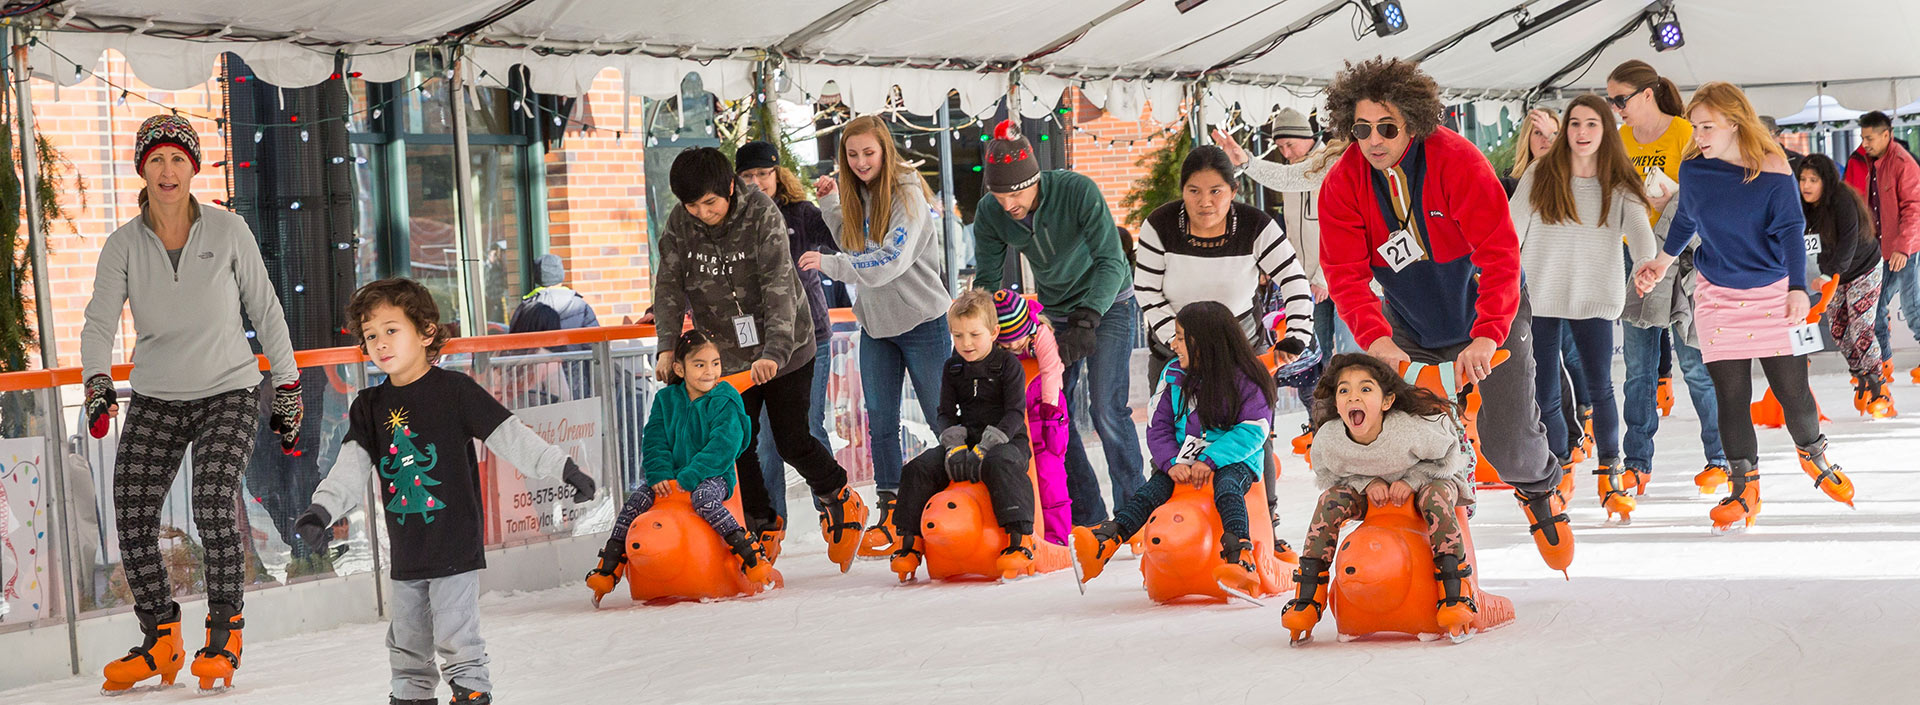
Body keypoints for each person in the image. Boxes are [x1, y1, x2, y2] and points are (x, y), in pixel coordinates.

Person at [1315, 56, 1572, 571]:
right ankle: (1428, 547)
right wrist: (1376, 338)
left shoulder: (1457, 160)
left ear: (1413, 120)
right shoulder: (1342, 184)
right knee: (1409, 445)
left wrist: (1487, 335)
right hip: (1409, 326)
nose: (1373, 140)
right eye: (1361, 128)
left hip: (1487, 314)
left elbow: (1500, 254)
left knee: (1509, 447)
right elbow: (1343, 274)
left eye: (1386, 127)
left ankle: (1542, 489)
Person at [295, 278, 597, 705]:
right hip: (407, 549)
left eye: (391, 329)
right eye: (370, 335)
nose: (380, 343)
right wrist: (321, 511)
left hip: (454, 543)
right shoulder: (369, 406)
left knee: (457, 634)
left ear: (426, 332)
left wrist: (564, 468)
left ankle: (471, 692)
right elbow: (351, 467)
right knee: (408, 642)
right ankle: (411, 697)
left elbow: (511, 437)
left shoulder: (456, 392)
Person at [85, 115, 304, 694]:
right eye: (156, 159)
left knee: (212, 499)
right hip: (157, 396)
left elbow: (266, 307)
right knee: (130, 514)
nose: (167, 170)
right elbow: (98, 322)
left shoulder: (230, 232)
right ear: (142, 169)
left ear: (193, 168)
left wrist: (287, 387)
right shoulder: (123, 245)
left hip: (227, 391)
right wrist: (97, 382)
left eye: (177, 159)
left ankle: (224, 631)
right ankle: (161, 638)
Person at [1632, 82, 1857, 532]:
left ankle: (1815, 456)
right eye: (1695, 127)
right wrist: (1661, 261)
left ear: (1735, 123)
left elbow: (1792, 229)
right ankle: (1744, 489)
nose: (1699, 135)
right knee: (1730, 397)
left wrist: (1797, 287)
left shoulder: (1772, 168)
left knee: (1792, 392)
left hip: (1774, 293)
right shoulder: (1695, 169)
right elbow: (1687, 218)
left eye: (1708, 126)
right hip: (1716, 294)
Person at [653, 147, 868, 571]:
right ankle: (760, 524)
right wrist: (666, 344)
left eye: (710, 203)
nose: (702, 213)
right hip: (727, 356)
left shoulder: (761, 213)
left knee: (792, 438)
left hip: (786, 346)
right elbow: (669, 284)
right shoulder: (681, 224)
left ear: (730, 188)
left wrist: (774, 351)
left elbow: (779, 285)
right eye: (692, 205)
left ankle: (839, 497)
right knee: (737, 443)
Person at [974, 119, 1141, 523]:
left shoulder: (1076, 191)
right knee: (1051, 412)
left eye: (1016, 193)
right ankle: (1087, 515)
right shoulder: (990, 215)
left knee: (1105, 407)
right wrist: (985, 331)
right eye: (999, 195)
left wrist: (1088, 320)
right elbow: (987, 282)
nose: (1008, 204)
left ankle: (1135, 510)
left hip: (1110, 301)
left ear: (1035, 179)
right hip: (1055, 312)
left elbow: (1110, 259)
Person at [805, 116, 951, 557]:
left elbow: (888, 261)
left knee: (942, 417)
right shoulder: (856, 193)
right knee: (881, 423)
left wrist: (829, 265)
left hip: (924, 321)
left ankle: (959, 494)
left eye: (868, 152)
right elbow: (851, 241)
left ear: (884, 150)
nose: (861, 161)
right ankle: (890, 512)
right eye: (852, 155)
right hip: (877, 326)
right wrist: (832, 205)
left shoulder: (906, 193)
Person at [1509, 94, 1657, 522]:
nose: (1582, 132)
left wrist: (1646, 268)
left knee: (1600, 388)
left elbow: (1640, 233)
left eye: (1592, 124)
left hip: (1595, 296)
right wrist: (1493, 269)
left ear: (1605, 131)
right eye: (1576, 124)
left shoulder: (1618, 180)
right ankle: (1560, 470)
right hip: (1542, 295)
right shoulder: (1541, 173)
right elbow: (1511, 228)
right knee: (1545, 391)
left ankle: (1610, 473)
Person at [1070, 302, 1276, 594]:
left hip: (1234, 458)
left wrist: (1210, 459)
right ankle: (1107, 541)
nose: (1172, 343)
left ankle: (1239, 556)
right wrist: (1170, 462)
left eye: (1180, 337)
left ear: (1205, 342)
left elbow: (1253, 430)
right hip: (1183, 459)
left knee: (1227, 487)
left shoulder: (1247, 377)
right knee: (1152, 490)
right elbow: (1158, 425)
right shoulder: (1173, 374)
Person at [1279, 353, 1476, 642]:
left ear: (1387, 402)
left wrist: (1412, 481)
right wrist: (1365, 482)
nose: (1353, 397)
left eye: (1365, 389)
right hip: (1371, 494)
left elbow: (1450, 458)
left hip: (1428, 479)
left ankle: (1456, 592)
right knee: (1330, 502)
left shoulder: (1409, 430)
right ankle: (1308, 596)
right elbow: (1330, 476)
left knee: (1435, 498)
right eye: (1344, 390)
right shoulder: (1330, 439)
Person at [1607, 59, 1728, 494]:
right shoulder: (1620, 139)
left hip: (1685, 259)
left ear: (1646, 95)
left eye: (1620, 98)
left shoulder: (1683, 132)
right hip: (1634, 257)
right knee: (1637, 369)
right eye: (1611, 99)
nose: (1615, 107)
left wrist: (1673, 195)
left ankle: (1720, 458)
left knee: (1695, 363)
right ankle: (1637, 460)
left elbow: (1702, 196)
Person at [585, 328, 772, 605]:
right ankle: (611, 565)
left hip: (713, 476)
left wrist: (692, 475)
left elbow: (724, 446)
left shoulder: (725, 399)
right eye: (699, 365)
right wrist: (660, 474)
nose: (709, 372)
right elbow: (654, 440)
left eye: (715, 364)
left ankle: (748, 554)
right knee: (637, 498)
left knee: (704, 500)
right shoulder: (666, 400)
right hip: (670, 478)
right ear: (679, 369)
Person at [1136, 144, 1314, 390]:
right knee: (1172, 426)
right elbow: (1147, 291)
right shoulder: (1159, 225)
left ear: (1233, 191)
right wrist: (1183, 343)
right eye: (1194, 191)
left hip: (1243, 349)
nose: (1204, 202)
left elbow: (1294, 279)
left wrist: (1296, 336)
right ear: (1183, 192)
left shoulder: (1256, 225)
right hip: (1176, 352)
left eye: (1216, 191)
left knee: (1246, 426)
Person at [887, 291, 1037, 580]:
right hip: (965, 440)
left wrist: (987, 446)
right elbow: (944, 413)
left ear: (993, 332)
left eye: (974, 334)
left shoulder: (1009, 366)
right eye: (957, 336)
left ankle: (1020, 539)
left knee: (998, 464)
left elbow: (1015, 414)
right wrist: (954, 446)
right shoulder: (952, 367)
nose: (966, 343)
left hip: (1007, 440)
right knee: (918, 468)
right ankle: (909, 542)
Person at [735, 140, 837, 529]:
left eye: (763, 173)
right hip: (757, 345)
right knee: (761, 438)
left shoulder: (801, 213)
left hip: (809, 337)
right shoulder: (737, 225)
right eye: (748, 176)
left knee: (806, 427)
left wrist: (832, 203)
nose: (757, 182)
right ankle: (769, 522)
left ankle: (831, 508)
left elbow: (844, 240)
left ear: (779, 175)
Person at [1213, 112, 1357, 366]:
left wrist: (1323, 278)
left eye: (1290, 145)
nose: (1286, 153)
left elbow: (1340, 230)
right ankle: (1323, 404)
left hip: (1336, 278)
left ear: (1308, 137)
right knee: (1315, 355)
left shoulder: (1329, 165)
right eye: (1280, 148)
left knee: (1349, 354)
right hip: (1307, 282)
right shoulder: (1292, 172)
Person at [1800, 154, 1890, 415]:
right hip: (1834, 273)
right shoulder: (1805, 206)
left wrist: (1831, 275)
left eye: (1813, 180)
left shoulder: (1841, 199)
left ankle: (1878, 386)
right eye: (1803, 179)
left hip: (1864, 268)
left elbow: (1848, 241)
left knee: (1861, 327)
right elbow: (1807, 242)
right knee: (1839, 330)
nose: (1806, 185)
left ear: (1826, 182)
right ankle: (1861, 375)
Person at [992, 289, 1073, 546]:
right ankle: (1024, 535)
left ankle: (1057, 538)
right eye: (1005, 342)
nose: (1012, 346)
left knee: (1051, 476)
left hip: (1046, 410)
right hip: (1016, 413)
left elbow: (1050, 372)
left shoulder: (1041, 335)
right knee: (1020, 475)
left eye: (1016, 339)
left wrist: (1050, 413)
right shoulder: (998, 349)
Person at [1844, 111, 1920, 380]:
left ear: (1887, 134)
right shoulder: (1870, 161)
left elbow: (1914, 208)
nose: (1864, 143)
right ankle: (1883, 365)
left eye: (1869, 137)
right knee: (1874, 308)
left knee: (1913, 309)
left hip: (1904, 249)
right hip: (1877, 251)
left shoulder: (1903, 163)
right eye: (1863, 137)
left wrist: (1903, 247)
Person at [508, 254, 600, 352]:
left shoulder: (527, 306)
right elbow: (595, 343)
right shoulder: (580, 305)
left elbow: (515, 344)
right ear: (561, 275)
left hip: (539, 366)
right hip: (576, 365)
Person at [1503, 107, 1561, 195]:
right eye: (1538, 133)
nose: (1545, 139)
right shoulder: (1510, 185)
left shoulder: (1572, 177)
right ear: (1527, 138)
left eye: (1552, 133)